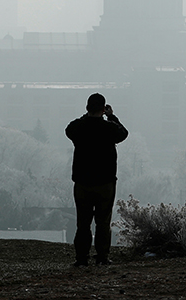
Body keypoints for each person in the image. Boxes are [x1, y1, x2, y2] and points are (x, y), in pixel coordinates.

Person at [65, 92, 129, 266]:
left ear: (87, 108)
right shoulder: (109, 129)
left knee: (83, 223)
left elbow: (69, 129)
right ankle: (102, 257)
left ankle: (81, 258)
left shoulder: (78, 128)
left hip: (82, 182)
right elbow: (123, 133)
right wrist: (111, 116)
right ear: (103, 109)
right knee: (103, 222)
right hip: (105, 182)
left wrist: (87, 116)